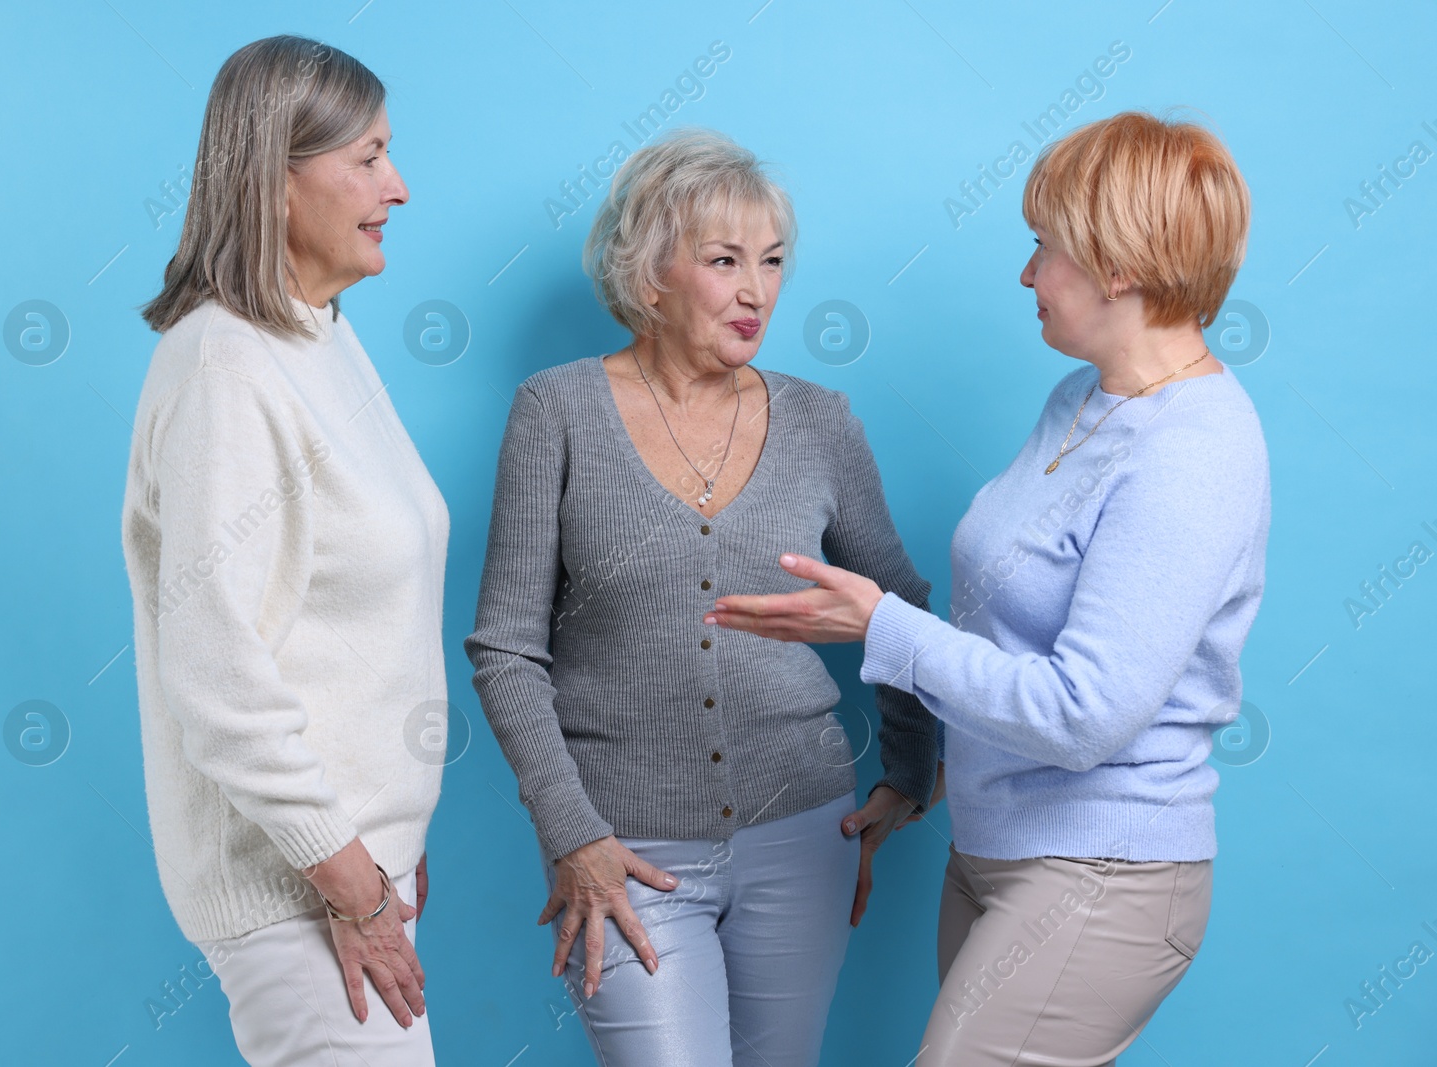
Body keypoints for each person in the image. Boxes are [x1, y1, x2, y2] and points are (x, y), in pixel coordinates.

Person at [707, 110, 1269, 1066]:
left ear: (1119, 262)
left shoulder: (1195, 452)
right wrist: (916, 782)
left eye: (1043, 247)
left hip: (1104, 873)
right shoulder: (1086, 402)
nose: (1026, 273)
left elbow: (1085, 713)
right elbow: (1001, 624)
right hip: (995, 853)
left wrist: (879, 625)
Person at [465, 128, 938, 1067]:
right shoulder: (554, 410)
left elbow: (900, 604)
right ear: (649, 275)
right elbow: (506, 647)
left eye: (770, 262)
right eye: (725, 261)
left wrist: (910, 775)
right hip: (625, 851)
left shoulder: (820, 420)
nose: (757, 290)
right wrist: (573, 831)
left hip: (804, 833)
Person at [122, 35, 448, 1066]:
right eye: (366, 157)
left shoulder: (319, 337)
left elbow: (351, 625)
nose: (396, 186)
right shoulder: (224, 365)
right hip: (297, 892)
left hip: (353, 874)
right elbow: (217, 676)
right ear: (272, 177)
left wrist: (394, 842)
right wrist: (351, 876)